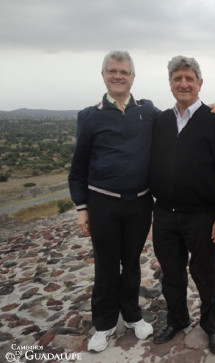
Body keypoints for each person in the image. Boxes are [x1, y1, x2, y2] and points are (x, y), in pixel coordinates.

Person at [68, 50, 158, 353]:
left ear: (133, 77)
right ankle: (104, 324)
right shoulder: (90, 116)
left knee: (132, 264)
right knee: (106, 266)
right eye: (112, 71)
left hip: (140, 203)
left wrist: (206, 112)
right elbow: (78, 167)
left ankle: (132, 316)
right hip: (103, 203)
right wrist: (82, 207)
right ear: (103, 75)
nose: (118, 76)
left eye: (124, 71)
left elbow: (179, 122)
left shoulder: (148, 112)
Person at [149, 56, 215, 354]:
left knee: (207, 274)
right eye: (178, 79)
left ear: (200, 83)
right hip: (164, 215)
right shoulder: (160, 121)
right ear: (171, 83)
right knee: (171, 273)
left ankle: (212, 324)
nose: (183, 84)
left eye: (189, 78)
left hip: (202, 216)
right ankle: (177, 319)